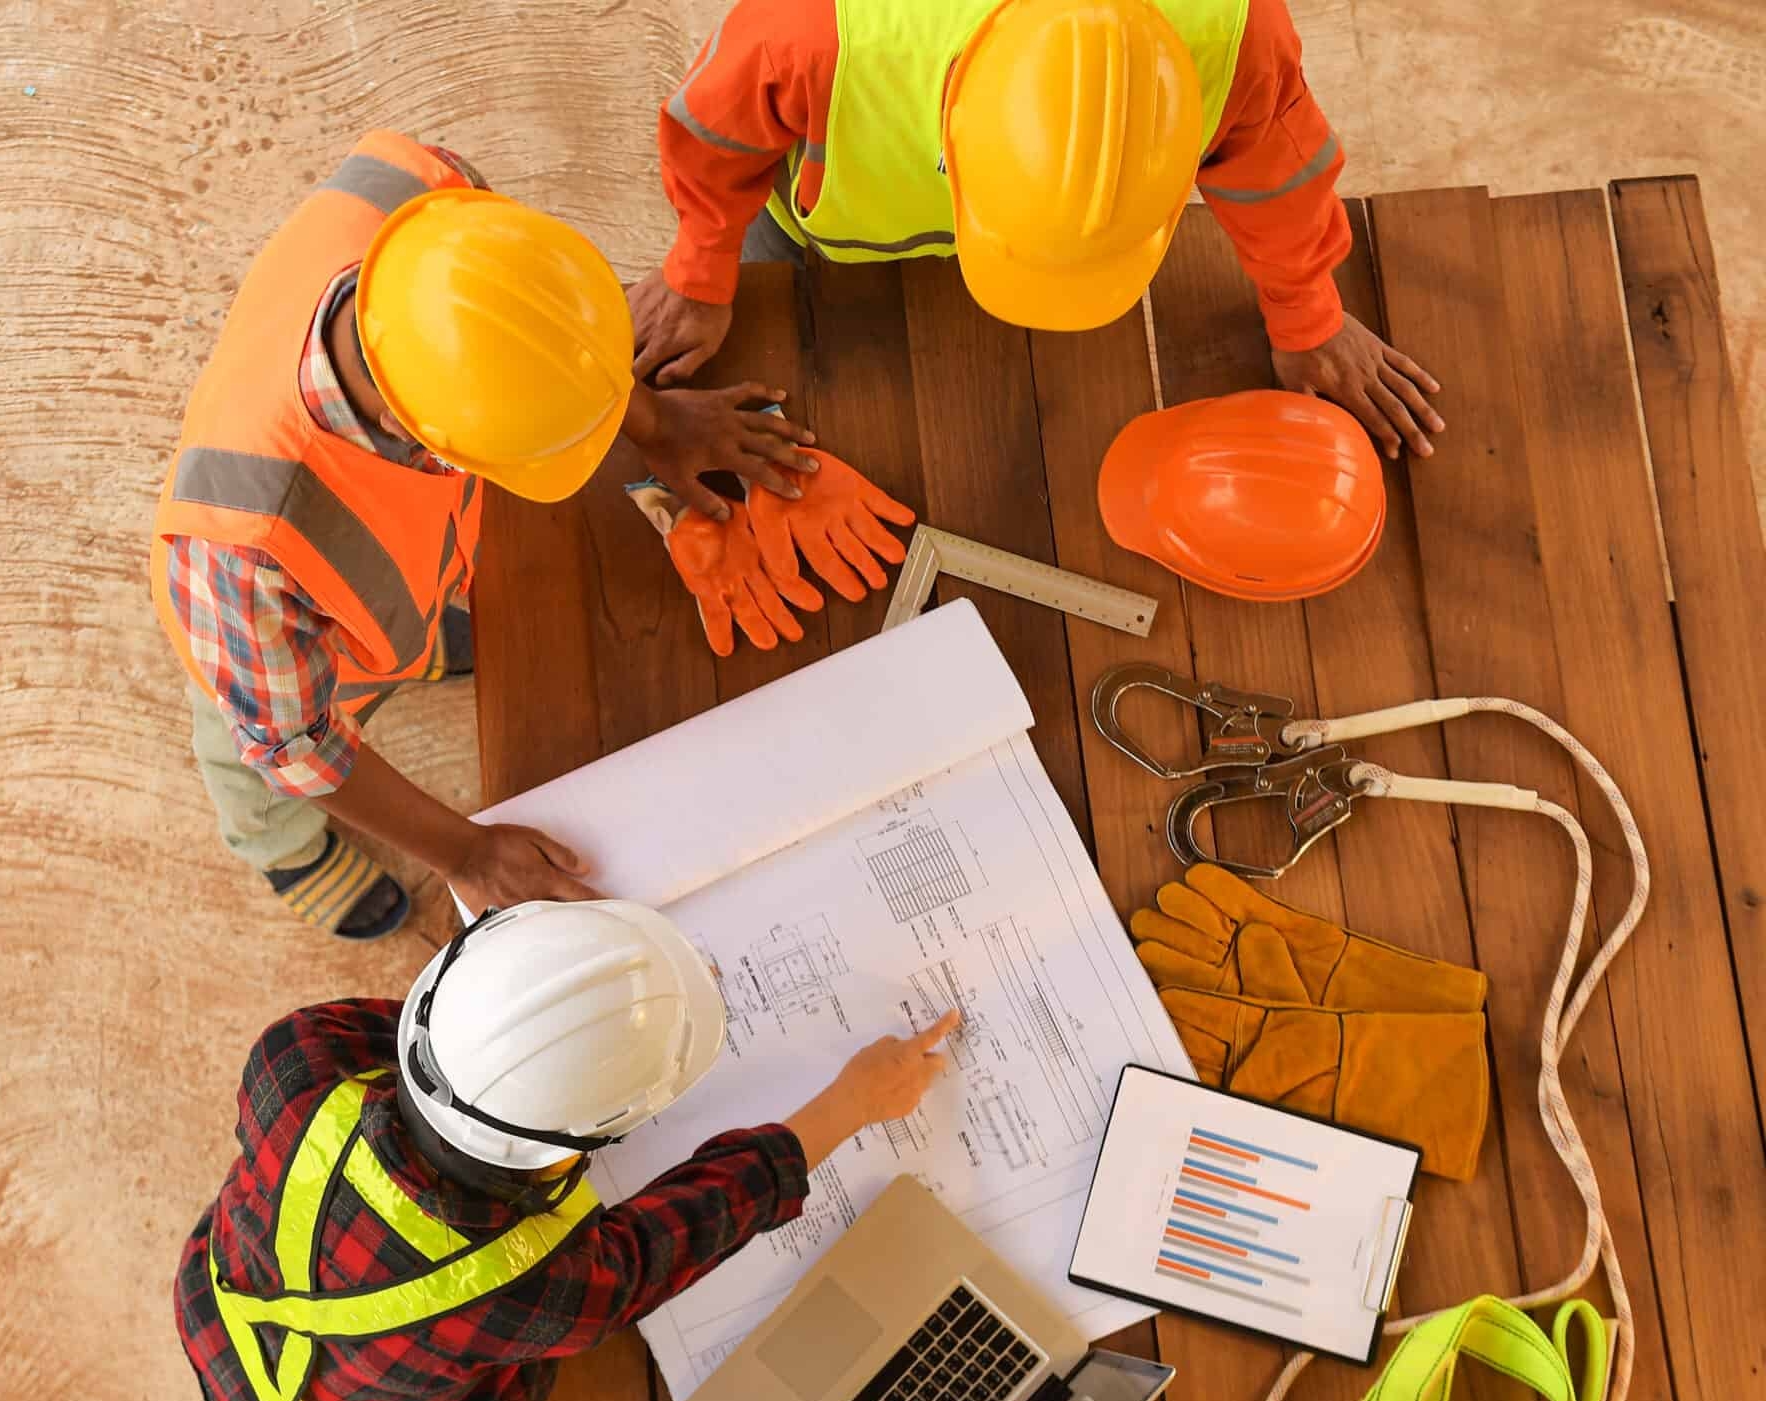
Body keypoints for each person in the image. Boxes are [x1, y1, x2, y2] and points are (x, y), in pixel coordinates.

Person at [155, 132, 821, 942]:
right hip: (283, 664)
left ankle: (420, 642)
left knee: (412, 618)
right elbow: (296, 744)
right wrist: (463, 851)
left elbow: (530, 329)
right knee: (255, 773)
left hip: (397, 587)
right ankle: (280, 847)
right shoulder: (243, 554)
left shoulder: (424, 189)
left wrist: (650, 418)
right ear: (424, 438)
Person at [173, 898, 964, 1401]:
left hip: (224, 1322)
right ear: (582, 1144)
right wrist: (851, 1104)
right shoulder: (535, 1288)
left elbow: (454, 1050)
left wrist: (604, 1030)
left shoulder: (297, 1062)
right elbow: (693, 1224)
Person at [628, 0, 1448, 461]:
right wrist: (701, 265)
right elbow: (713, 133)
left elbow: (1280, 167)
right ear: (950, 141)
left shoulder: (1235, 34)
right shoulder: (812, 34)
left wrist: (1306, 314)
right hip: (810, 234)